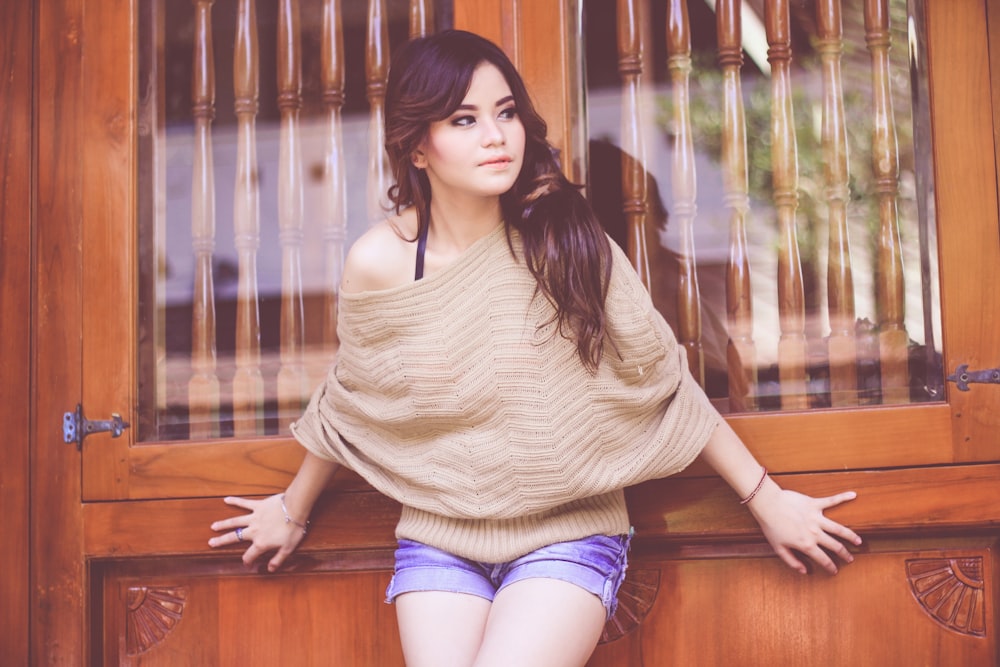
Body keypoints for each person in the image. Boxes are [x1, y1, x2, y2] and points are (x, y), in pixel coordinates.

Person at [209, 29, 861, 667]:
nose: (496, 135)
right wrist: (292, 512)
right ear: (416, 147)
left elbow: (660, 382)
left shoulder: (568, 240)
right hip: (441, 537)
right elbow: (352, 399)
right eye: (464, 119)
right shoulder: (380, 260)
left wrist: (767, 498)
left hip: (569, 531)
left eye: (507, 112)